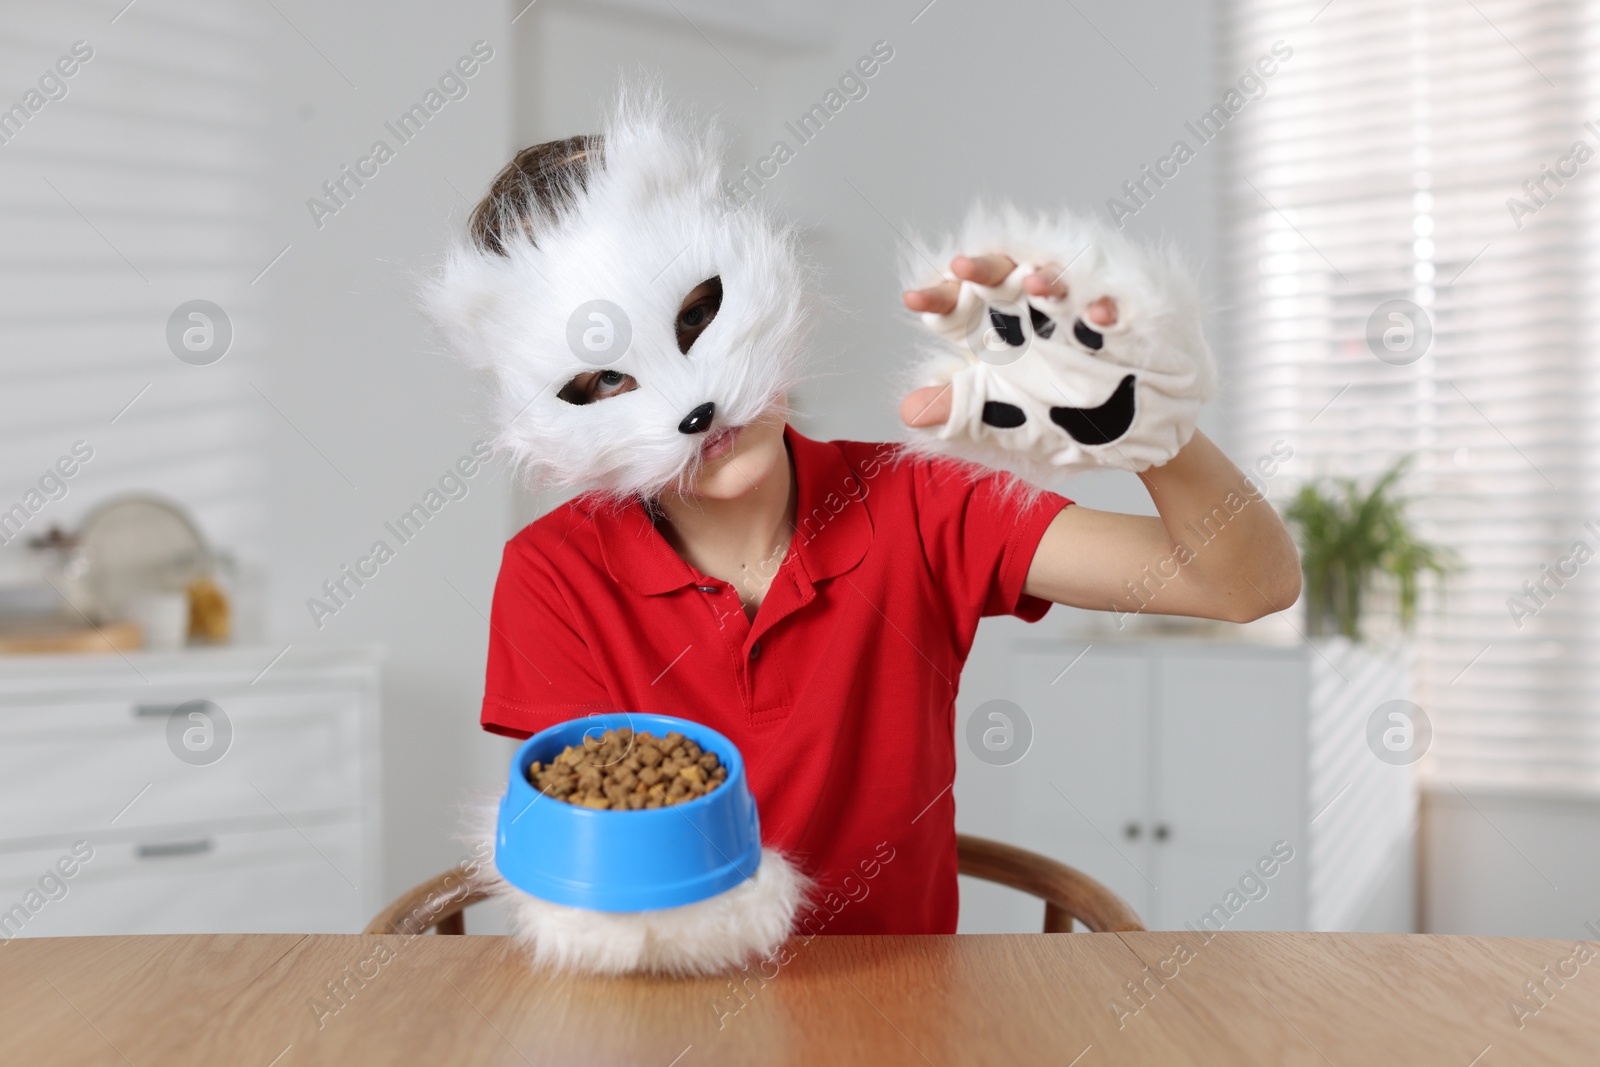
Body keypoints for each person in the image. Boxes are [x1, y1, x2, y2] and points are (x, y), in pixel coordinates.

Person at [433, 110, 1302, 937]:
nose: (692, 403)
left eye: (699, 316)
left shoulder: (917, 501)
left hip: (909, 1017)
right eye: (607, 381)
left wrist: (1152, 427)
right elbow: (582, 865)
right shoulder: (554, 571)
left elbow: (1246, 583)